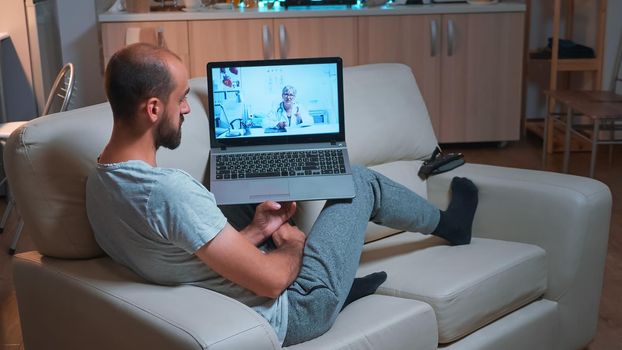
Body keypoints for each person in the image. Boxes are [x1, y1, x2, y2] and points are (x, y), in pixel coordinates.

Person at [86, 43, 478, 346]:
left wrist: (258, 230)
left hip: (221, 289)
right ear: (153, 109)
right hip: (295, 309)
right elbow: (272, 283)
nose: (187, 109)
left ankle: (338, 282)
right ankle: (451, 225)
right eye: (181, 98)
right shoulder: (170, 192)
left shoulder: (101, 179)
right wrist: (292, 245)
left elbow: (184, 255)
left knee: (249, 198)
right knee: (359, 181)